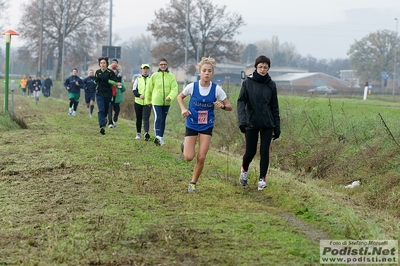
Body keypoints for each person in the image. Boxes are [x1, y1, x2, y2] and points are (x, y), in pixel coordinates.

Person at [177, 57, 232, 193]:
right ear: (199, 73)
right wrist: (183, 109)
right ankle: (185, 146)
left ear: (212, 74)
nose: (207, 73)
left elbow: (229, 106)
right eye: (204, 71)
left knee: (201, 156)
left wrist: (223, 106)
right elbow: (179, 97)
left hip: (207, 125)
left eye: (209, 71)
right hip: (192, 123)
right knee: (189, 157)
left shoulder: (216, 89)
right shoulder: (192, 86)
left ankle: (193, 183)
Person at [237, 55, 281, 191]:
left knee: (264, 151)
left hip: (267, 123)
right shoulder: (248, 83)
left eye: (265, 67)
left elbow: (274, 106)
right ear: (255, 67)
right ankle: (244, 170)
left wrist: (277, 126)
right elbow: (241, 102)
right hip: (251, 122)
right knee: (250, 152)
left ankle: (262, 179)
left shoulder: (271, 85)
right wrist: (242, 121)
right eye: (260, 67)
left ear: (268, 69)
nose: (262, 70)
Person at [145, 58, 178, 146]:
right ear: (158, 65)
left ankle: (161, 138)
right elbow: (149, 89)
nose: (163, 66)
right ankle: (158, 137)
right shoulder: (154, 76)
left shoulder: (171, 76)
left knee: (163, 119)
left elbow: (174, 89)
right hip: (156, 101)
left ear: (167, 65)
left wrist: (170, 97)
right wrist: (148, 100)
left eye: (165, 64)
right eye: (161, 64)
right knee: (158, 118)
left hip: (167, 102)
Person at [94, 56, 119, 135]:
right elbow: (95, 82)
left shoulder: (110, 72)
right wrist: (96, 81)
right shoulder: (97, 72)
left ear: (107, 64)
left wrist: (108, 80)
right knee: (101, 109)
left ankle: (104, 119)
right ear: (99, 64)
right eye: (101, 63)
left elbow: (115, 83)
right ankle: (102, 126)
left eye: (104, 63)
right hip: (99, 93)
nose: (102, 64)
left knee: (105, 111)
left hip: (108, 94)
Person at [132, 63, 152, 140]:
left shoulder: (151, 79)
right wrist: (139, 95)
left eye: (147, 69)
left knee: (146, 118)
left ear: (148, 70)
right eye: (144, 69)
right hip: (138, 102)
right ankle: (138, 133)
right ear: (141, 69)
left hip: (148, 102)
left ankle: (146, 133)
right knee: (139, 118)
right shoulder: (138, 79)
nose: (145, 70)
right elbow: (134, 90)